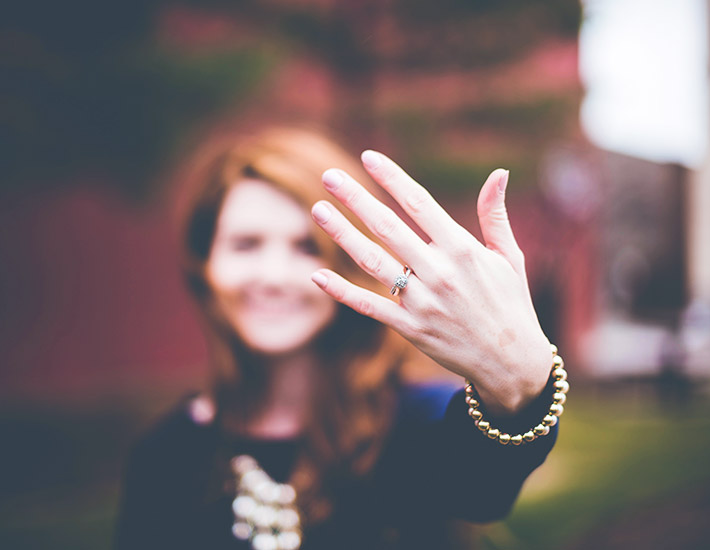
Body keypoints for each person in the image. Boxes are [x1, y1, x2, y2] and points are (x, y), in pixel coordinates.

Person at [115, 126, 567, 550]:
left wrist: (519, 389)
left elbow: (482, 484)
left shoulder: (412, 423)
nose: (274, 276)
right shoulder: (164, 456)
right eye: (246, 244)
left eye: (307, 246)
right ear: (205, 264)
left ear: (353, 263)